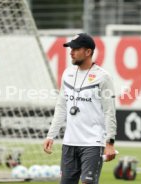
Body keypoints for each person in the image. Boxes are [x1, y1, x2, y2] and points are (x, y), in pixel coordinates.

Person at [43, 33, 117, 184]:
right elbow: (61, 106)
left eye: (76, 48)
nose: (71, 52)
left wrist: (109, 142)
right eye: (71, 48)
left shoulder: (103, 77)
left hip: (93, 143)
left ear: (88, 52)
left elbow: (110, 111)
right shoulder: (67, 73)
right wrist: (51, 135)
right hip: (69, 143)